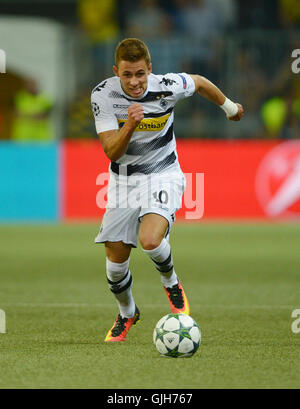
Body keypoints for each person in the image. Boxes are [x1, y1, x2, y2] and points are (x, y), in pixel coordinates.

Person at [91, 38, 244, 342]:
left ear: (150, 69)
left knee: (149, 240)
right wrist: (130, 125)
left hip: (163, 174)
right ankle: (128, 314)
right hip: (123, 181)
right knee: (115, 266)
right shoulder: (103, 95)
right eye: (127, 75)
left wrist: (229, 107)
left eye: (139, 74)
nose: (134, 82)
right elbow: (111, 151)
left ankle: (171, 283)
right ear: (115, 72)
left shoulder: (168, 85)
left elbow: (199, 82)